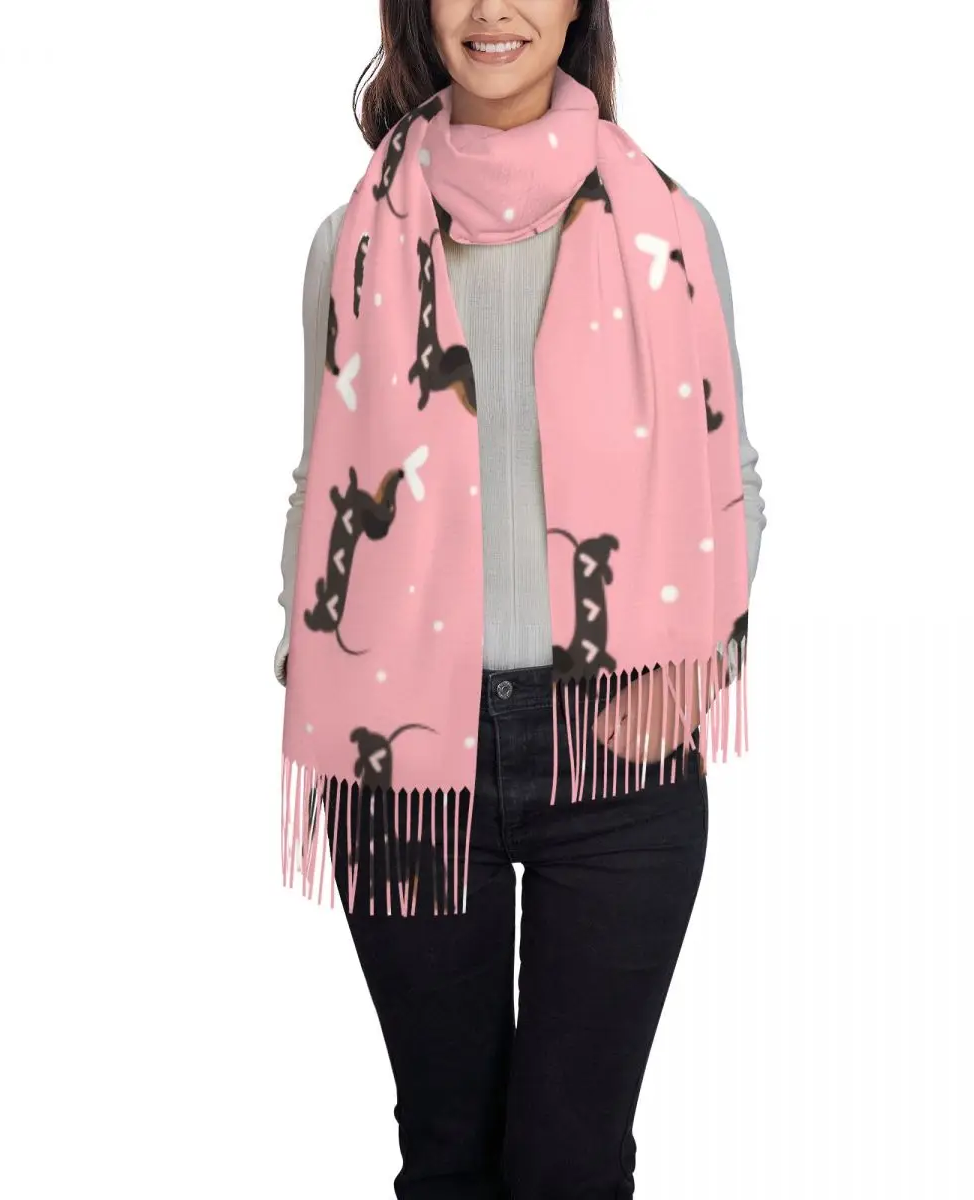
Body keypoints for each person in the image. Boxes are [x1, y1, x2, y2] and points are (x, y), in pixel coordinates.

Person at [274, 2, 766, 1195]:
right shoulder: (348, 241)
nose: (495, 7)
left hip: (613, 754)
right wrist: (313, 665)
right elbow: (319, 482)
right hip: (400, 764)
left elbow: (733, 481)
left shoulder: (671, 229)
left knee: (569, 1165)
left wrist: (699, 670)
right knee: (446, 1155)